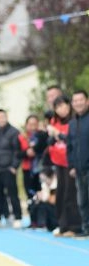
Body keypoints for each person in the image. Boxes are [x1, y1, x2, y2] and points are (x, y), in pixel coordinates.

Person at [47, 96, 82, 237]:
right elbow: (50, 141)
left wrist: (58, 135)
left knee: (71, 195)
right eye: (58, 107)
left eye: (64, 105)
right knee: (60, 194)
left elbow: (72, 140)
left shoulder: (75, 122)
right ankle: (62, 225)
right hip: (58, 163)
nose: (62, 109)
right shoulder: (54, 122)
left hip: (71, 163)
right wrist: (50, 138)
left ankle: (74, 226)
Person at [0, 109, 22, 228]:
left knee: (13, 193)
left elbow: (18, 151)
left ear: (6, 117)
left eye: (2, 117)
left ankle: (17, 217)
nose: (0, 119)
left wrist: (14, 166)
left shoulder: (14, 132)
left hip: (8, 168)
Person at [67, 90, 89, 237]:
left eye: (80, 100)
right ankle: (86, 228)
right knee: (82, 201)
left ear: (87, 101)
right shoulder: (73, 123)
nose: (78, 103)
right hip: (79, 169)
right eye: (75, 101)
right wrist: (72, 165)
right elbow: (70, 146)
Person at [19, 114, 48, 208]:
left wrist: (34, 150)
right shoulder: (21, 137)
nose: (32, 127)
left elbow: (43, 148)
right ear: (26, 125)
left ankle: (43, 218)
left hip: (40, 169)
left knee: (41, 193)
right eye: (30, 124)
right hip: (27, 169)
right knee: (30, 194)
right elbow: (17, 153)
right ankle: (33, 219)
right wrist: (27, 152)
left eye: (35, 124)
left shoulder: (42, 135)